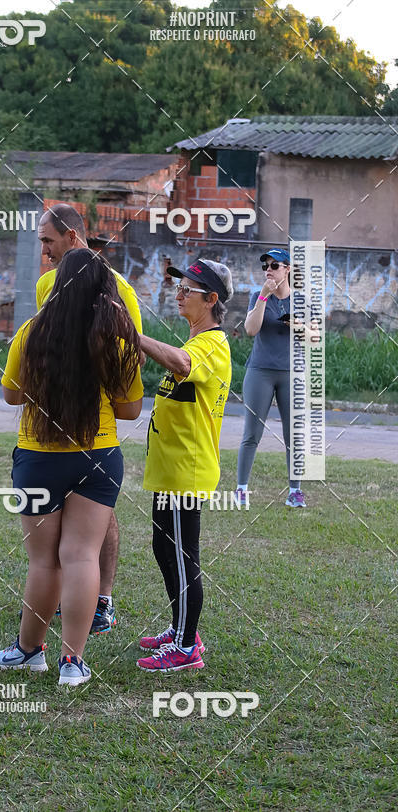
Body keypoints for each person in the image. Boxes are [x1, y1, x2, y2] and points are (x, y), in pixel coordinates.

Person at [0, 248, 143, 686]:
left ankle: (29, 651)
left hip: (38, 458)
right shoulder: (114, 339)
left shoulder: (31, 332)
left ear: (56, 284)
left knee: (43, 561)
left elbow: (11, 396)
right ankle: (72, 663)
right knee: (82, 556)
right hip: (100, 456)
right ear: (104, 290)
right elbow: (130, 410)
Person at [35, 203, 143, 634]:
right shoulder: (47, 284)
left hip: (96, 428)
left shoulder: (121, 290)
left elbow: (128, 358)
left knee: (101, 517)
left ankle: (101, 601)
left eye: (48, 240)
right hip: (50, 428)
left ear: (72, 237)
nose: (44, 250)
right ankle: (61, 599)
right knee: (54, 523)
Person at [136, 258, 232, 672]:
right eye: (178, 288)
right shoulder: (194, 342)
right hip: (171, 469)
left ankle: (186, 645)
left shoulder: (211, 345)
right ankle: (180, 629)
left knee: (181, 555)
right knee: (164, 548)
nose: (179, 294)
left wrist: (134, 336)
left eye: (187, 290)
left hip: (186, 470)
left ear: (211, 300)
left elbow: (183, 365)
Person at [235, 247, 305, 509]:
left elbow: (314, 338)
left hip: (291, 374)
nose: (269, 270)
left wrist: (296, 325)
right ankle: (241, 489)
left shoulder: (301, 301)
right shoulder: (257, 295)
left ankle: (295, 491)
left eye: (275, 266)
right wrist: (264, 297)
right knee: (251, 433)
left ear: (287, 269)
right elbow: (251, 330)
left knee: (293, 435)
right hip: (260, 372)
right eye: (266, 266)